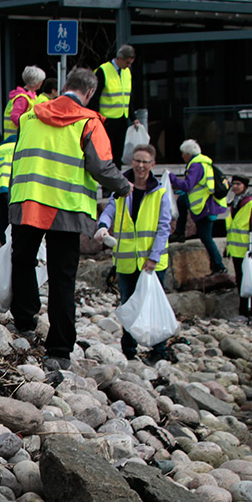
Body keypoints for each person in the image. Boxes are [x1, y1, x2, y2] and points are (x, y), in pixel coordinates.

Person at [8, 67, 131, 371]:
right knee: (62, 277)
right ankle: (59, 349)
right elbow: (101, 167)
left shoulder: (30, 116)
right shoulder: (89, 122)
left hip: (28, 201)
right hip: (67, 209)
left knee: (22, 260)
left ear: (65, 86)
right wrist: (125, 187)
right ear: (89, 93)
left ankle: (24, 319)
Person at [94, 143, 174, 362]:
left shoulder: (160, 192)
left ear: (152, 164)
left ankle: (159, 352)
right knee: (128, 305)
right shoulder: (121, 188)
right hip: (127, 260)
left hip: (152, 262)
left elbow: (163, 226)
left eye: (145, 161)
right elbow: (110, 209)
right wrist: (103, 225)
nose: (140, 165)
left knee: (152, 306)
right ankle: (129, 352)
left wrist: (154, 257)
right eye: (137, 160)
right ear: (131, 161)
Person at [168, 138, 227, 274]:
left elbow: (188, 185)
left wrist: (172, 178)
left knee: (206, 236)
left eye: (183, 153)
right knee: (182, 200)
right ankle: (180, 232)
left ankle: (219, 266)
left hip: (203, 206)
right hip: (208, 204)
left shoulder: (195, 165)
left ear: (188, 154)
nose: (182, 156)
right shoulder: (204, 162)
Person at [225, 174, 252, 319]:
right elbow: (233, 227)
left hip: (248, 249)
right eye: (233, 184)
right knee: (240, 280)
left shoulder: (251, 204)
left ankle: (251, 312)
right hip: (237, 249)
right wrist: (228, 247)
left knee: (249, 281)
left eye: (238, 184)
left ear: (245, 186)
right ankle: (243, 312)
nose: (234, 187)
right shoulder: (235, 202)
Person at [92, 44, 135, 168]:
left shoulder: (127, 72)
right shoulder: (103, 70)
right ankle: (107, 185)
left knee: (118, 154)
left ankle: (116, 182)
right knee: (106, 153)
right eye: (127, 62)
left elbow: (128, 95)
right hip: (107, 119)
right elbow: (95, 96)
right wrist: (96, 117)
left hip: (122, 117)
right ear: (119, 58)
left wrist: (133, 116)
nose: (129, 65)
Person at [3, 65, 44, 144]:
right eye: (41, 80)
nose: (42, 83)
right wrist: (27, 128)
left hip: (19, 137)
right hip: (16, 139)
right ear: (35, 82)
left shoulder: (29, 96)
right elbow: (15, 116)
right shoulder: (22, 98)